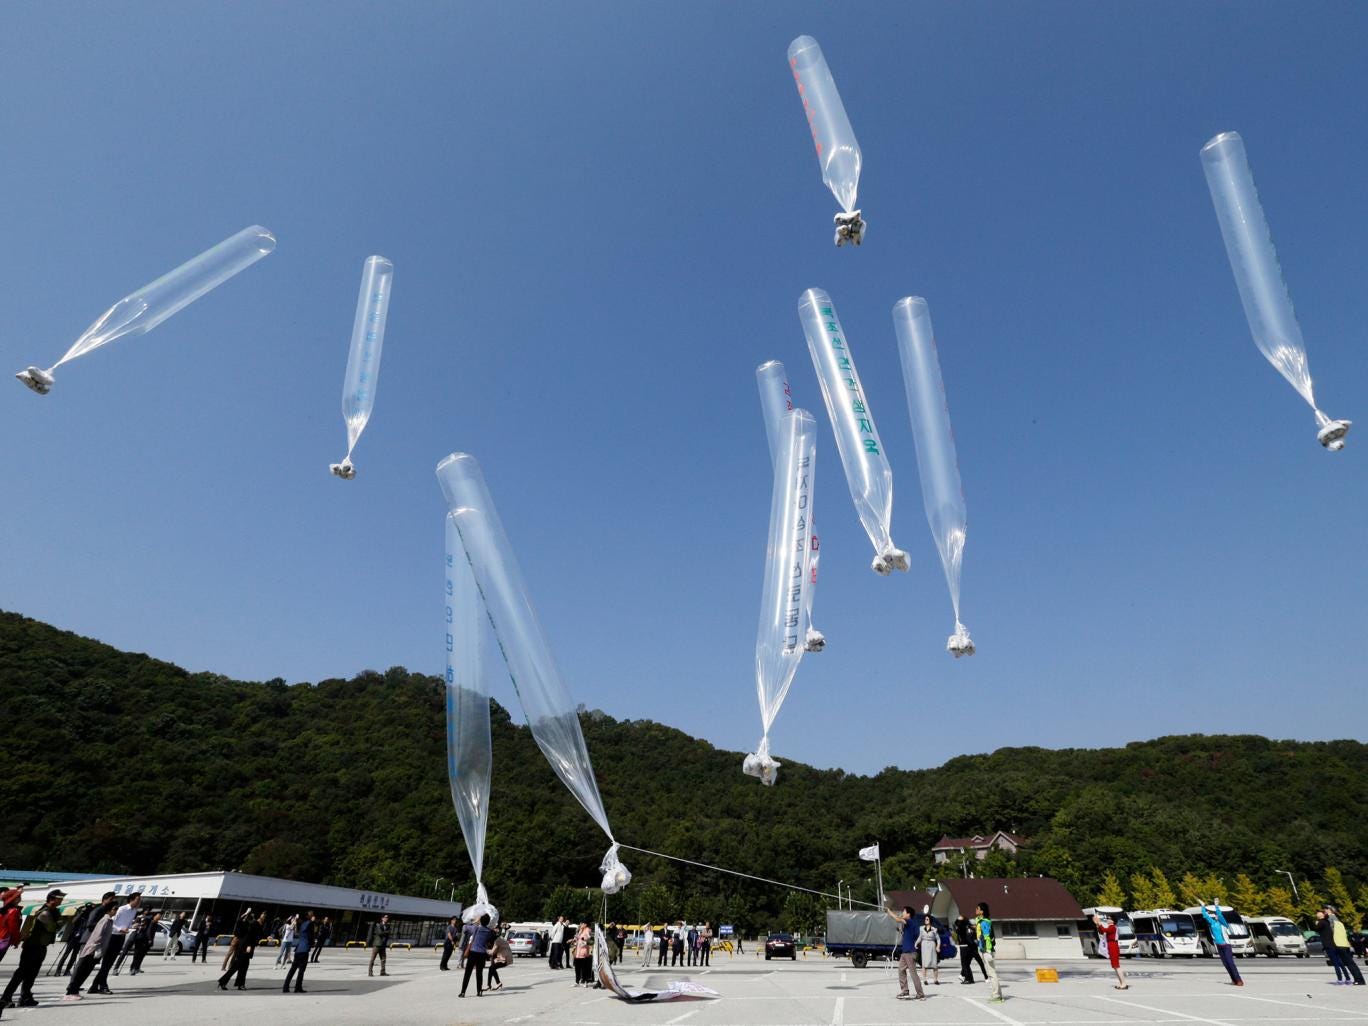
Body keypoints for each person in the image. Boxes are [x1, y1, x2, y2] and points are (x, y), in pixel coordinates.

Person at [0, 888, 64, 1013]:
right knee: (22, 973)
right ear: (52, 899)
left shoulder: (53, 911)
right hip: (33, 946)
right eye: (59, 898)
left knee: (32, 973)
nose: (61, 900)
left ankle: (25, 996)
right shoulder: (44, 913)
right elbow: (52, 927)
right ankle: (6, 997)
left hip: (40, 946)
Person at [64, 896, 118, 1000]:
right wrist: (96, 949)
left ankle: (74, 991)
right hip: (92, 949)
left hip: (96, 949)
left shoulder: (109, 920)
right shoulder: (104, 919)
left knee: (86, 970)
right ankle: (70, 992)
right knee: (82, 969)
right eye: (115, 908)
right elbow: (97, 936)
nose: (116, 911)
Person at [90, 891, 141, 995]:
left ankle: (94, 986)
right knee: (106, 962)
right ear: (131, 899)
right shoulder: (121, 909)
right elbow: (110, 921)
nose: (139, 901)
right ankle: (103, 986)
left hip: (121, 937)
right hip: (112, 936)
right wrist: (120, 929)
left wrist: (132, 926)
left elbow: (126, 924)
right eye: (138, 899)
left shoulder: (134, 911)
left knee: (109, 963)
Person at [885, 905, 926, 1001]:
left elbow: (897, 919)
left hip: (910, 953)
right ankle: (905, 992)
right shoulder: (909, 925)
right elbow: (909, 935)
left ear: (908, 914)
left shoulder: (909, 921)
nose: (902, 913)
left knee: (913, 974)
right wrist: (900, 931)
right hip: (905, 952)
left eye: (904, 912)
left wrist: (889, 912)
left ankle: (920, 994)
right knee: (901, 971)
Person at [217, 910, 264, 991]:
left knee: (243, 967)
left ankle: (239, 984)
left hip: (245, 947)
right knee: (237, 966)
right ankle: (224, 981)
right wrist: (249, 945)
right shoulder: (248, 924)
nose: (251, 917)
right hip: (244, 948)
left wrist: (267, 937)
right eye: (250, 916)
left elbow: (259, 933)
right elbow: (248, 934)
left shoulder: (252, 924)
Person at [1199, 904, 1242, 986]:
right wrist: (1203, 907)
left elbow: (1220, 915)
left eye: (1217, 916)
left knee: (1230, 963)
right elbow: (1205, 915)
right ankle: (1233, 980)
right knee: (1225, 964)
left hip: (1226, 945)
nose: (1217, 916)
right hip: (1219, 945)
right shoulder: (1213, 923)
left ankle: (1238, 979)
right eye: (1215, 915)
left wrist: (1216, 906)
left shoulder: (1224, 924)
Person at [1326, 907, 1365, 986]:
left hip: (1340, 944)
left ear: (1330, 911)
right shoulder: (1339, 922)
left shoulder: (1332, 919)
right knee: (1351, 963)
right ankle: (1360, 979)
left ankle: (1359, 980)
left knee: (1349, 964)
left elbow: (1331, 930)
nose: (1325, 911)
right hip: (1344, 944)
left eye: (1326, 910)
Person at [459, 913, 495, 998]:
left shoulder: (476, 928)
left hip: (473, 952)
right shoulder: (489, 931)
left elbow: (465, 928)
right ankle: (479, 991)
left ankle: (463, 992)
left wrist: (476, 921)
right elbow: (491, 940)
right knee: (479, 973)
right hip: (482, 954)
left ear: (481, 921)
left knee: (468, 972)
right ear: (488, 922)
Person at [975, 903, 1002, 1002]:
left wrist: (989, 951)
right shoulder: (979, 921)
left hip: (987, 950)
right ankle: (998, 994)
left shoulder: (984, 922)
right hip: (983, 949)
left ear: (982, 911)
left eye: (977, 908)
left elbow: (987, 937)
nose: (976, 910)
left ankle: (996, 995)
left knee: (992, 973)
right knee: (990, 972)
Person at [1094, 913, 1127, 989]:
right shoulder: (1111, 927)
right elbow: (1102, 932)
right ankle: (1122, 983)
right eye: (1107, 918)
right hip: (1111, 945)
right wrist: (1097, 924)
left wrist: (1099, 923)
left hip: (1113, 946)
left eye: (1109, 918)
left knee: (1116, 966)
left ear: (1113, 920)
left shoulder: (1112, 927)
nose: (1107, 919)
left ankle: (1124, 984)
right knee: (1115, 966)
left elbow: (1104, 930)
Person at [283, 910, 312, 994]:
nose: (311, 916)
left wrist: (296, 918)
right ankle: (298, 987)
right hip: (304, 948)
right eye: (310, 915)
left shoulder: (301, 924)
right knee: (301, 970)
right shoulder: (309, 924)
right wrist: (311, 944)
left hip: (298, 949)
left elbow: (292, 925)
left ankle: (286, 986)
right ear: (307, 916)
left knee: (293, 969)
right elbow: (310, 936)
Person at [955, 914, 983, 983]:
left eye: (960, 919)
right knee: (966, 964)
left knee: (964, 964)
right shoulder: (966, 927)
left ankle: (968, 979)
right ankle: (970, 978)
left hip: (964, 947)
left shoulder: (964, 927)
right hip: (966, 947)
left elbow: (958, 927)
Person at [0, 889, 23, 969]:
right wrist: (16, 941)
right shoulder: (14, 911)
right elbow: (13, 928)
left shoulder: (4, 910)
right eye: (18, 896)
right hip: (4, 940)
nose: (20, 898)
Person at [487, 925, 512, 992]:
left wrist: (483, 949)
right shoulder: (497, 938)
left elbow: (492, 952)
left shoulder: (497, 940)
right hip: (501, 956)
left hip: (504, 958)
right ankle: (497, 983)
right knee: (492, 968)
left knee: (491, 968)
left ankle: (489, 985)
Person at [919, 914, 941, 986]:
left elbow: (938, 939)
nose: (926, 920)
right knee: (924, 963)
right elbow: (920, 937)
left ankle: (935, 979)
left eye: (927, 919)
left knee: (934, 963)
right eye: (925, 919)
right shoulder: (921, 928)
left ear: (930, 920)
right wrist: (915, 944)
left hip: (932, 946)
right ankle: (924, 979)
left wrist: (938, 946)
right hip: (924, 945)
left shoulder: (934, 929)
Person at [572, 921, 593, 986]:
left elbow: (588, 938)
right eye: (580, 924)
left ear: (585, 924)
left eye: (582, 924)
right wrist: (574, 939)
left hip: (583, 952)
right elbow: (576, 938)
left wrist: (582, 938)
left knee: (584, 968)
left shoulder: (587, 930)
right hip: (578, 952)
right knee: (577, 968)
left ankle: (585, 981)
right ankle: (577, 981)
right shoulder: (580, 930)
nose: (580, 925)